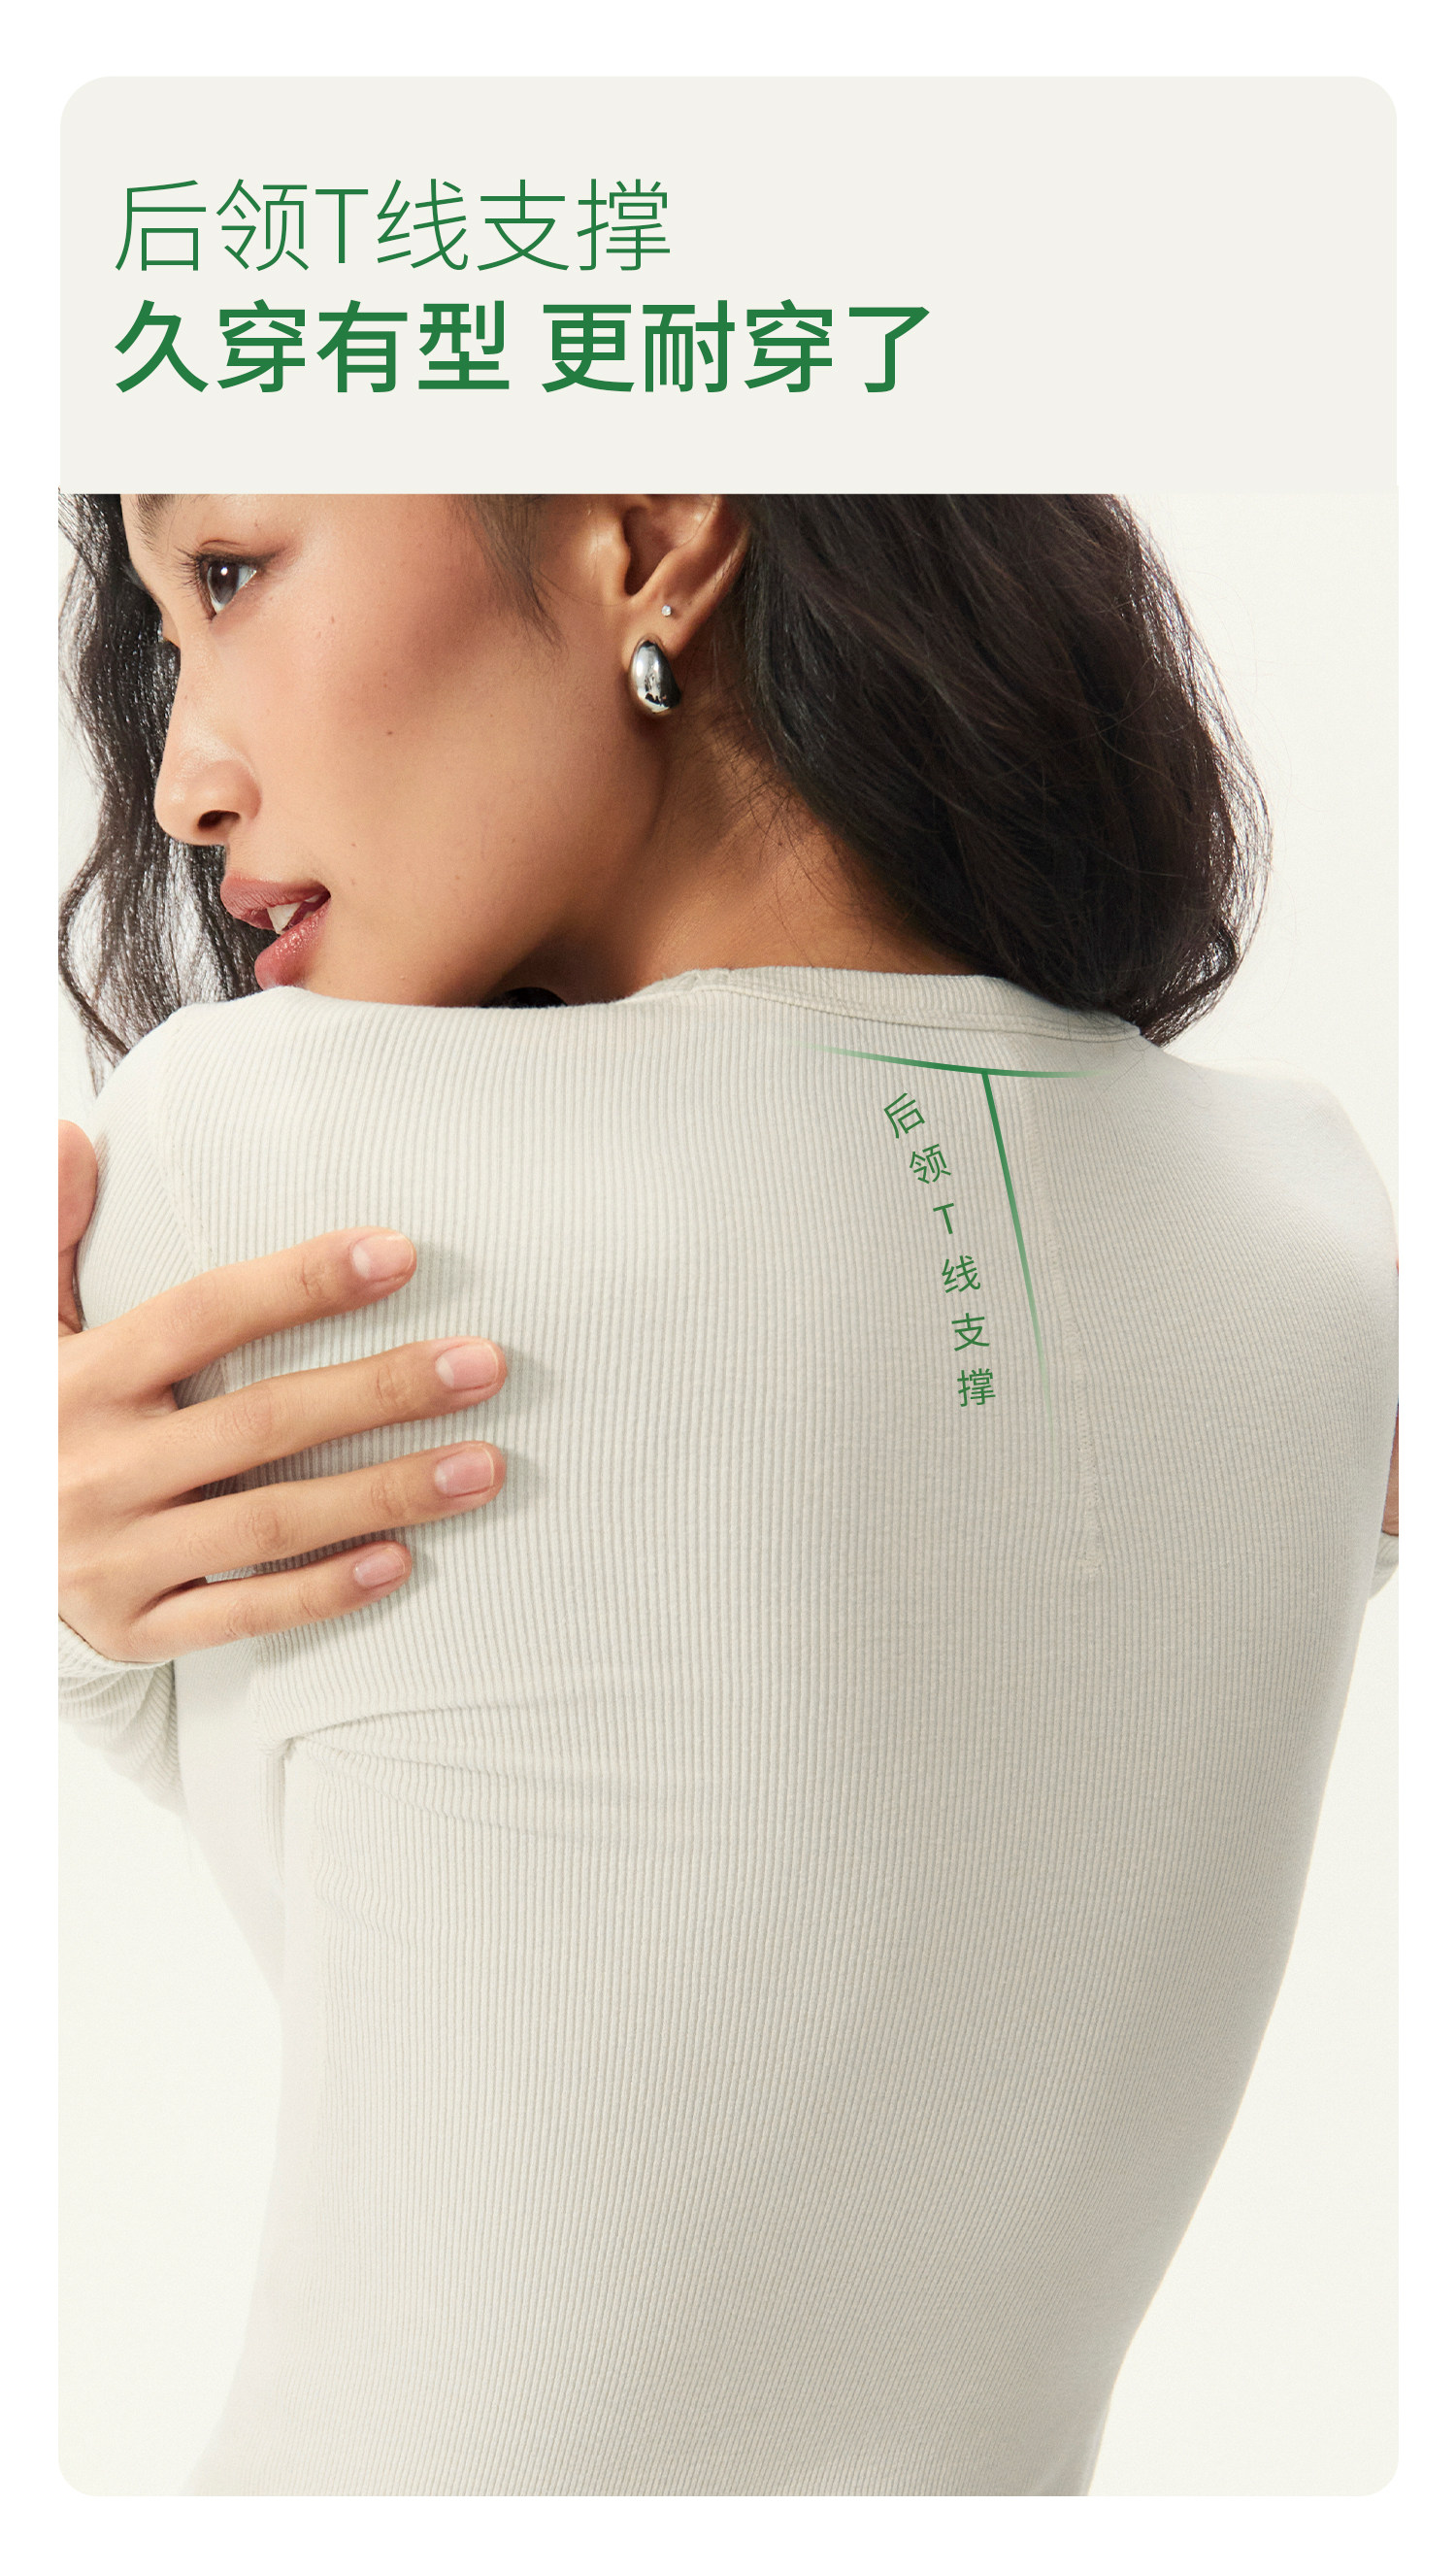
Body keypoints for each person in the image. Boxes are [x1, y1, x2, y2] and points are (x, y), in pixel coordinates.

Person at [58, 494, 1398, 2496]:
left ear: (649, 533)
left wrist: (74, 1618)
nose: (184, 781)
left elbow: (373, 1844)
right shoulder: (1315, 1228)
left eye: (234, 573)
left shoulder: (262, 1154)